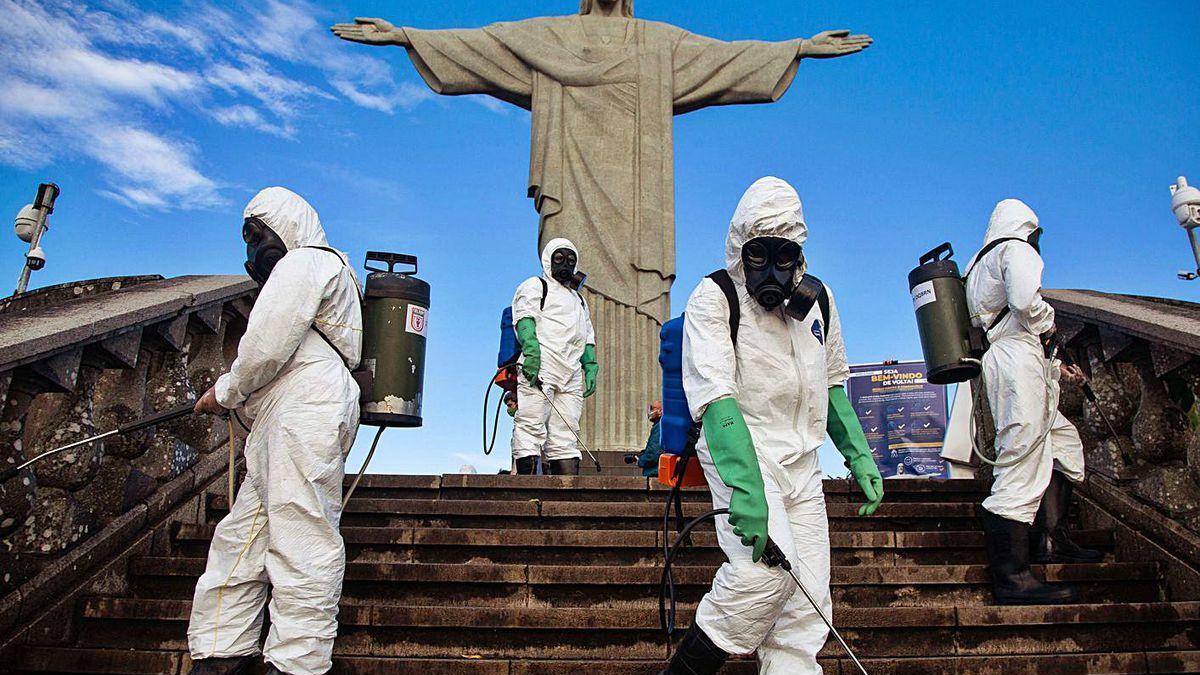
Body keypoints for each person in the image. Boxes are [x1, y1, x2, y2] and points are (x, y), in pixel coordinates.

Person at [666, 177, 883, 674]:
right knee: (764, 576)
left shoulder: (818, 303)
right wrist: (746, 488)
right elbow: (716, 398)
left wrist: (859, 455)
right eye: (756, 254)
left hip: (802, 463)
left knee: (809, 602)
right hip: (743, 449)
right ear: (740, 250)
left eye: (782, 256)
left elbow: (831, 383)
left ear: (798, 256)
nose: (768, 269)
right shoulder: (714, 297)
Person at [186, 187, 362, 675]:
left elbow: (265, 345)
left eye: (256, 236)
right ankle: (222, 651)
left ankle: (297, 664)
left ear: (284, 227)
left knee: (301, 533)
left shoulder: (308, 262)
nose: (252, 251)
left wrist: (224, 391)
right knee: (242, 537)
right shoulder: (334, 273)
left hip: (305, 406)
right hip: (291, 410)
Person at [964, 198, 1101, 607]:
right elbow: (1025, 305)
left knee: (1064, 445)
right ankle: (1013, 577)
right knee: (1021, 458)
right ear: (1028, 228)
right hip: (1016, 360)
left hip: (1014, 359)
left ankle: (1052, 541)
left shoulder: (977, 265)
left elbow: (1009, 322)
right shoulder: (1016, 249)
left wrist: (1057, 370)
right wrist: (1050, 322)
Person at [510, 238, 598, 476]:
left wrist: (590, 365)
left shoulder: (579, 299)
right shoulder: (535, 285)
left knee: (567, 430)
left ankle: (566, 487)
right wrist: (531, 353)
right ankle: (524, 484)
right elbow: (524, 318)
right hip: (542, 366)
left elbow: (586, 334)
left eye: (570, 260)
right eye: (559, 259)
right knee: (531, 423)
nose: (565, 264)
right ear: (548, 260)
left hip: (570, 373)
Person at [636, 401, 664, 477]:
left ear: (660, 411)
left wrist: (640, 461)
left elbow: (653, 453)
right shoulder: (660, 426)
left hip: (655, 473)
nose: (650, 411)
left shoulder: (660, 427)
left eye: (652, 408)